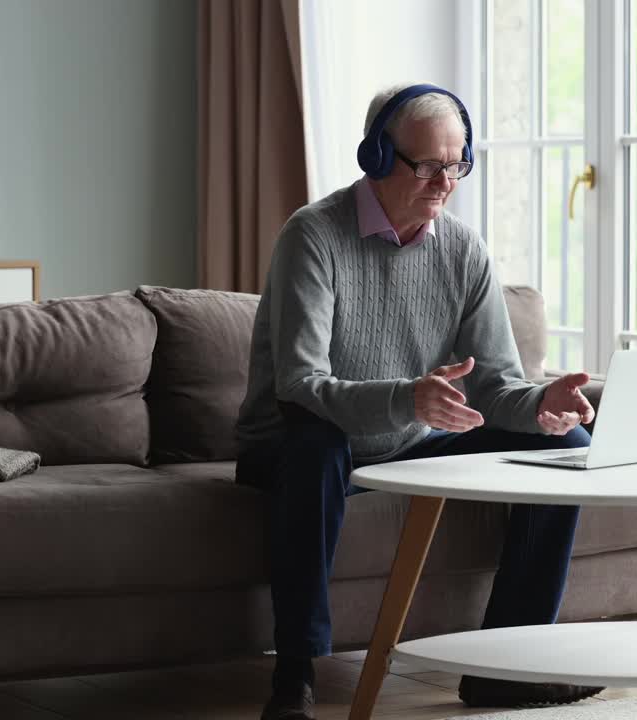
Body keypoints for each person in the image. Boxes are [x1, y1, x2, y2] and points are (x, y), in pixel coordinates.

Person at [235, 83, 600, 720]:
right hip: (294, 441)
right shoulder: (313, 236)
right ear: (376, 155)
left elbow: (494, 386)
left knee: (566, 444)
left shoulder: (463, 250)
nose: (444, 181)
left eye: (456, 163)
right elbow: (299, 385)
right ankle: (294, 675)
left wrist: (542, 403)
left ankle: (505, 666)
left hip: (412, 440)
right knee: (317, 442)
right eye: (426, 164)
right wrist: (409, 399)